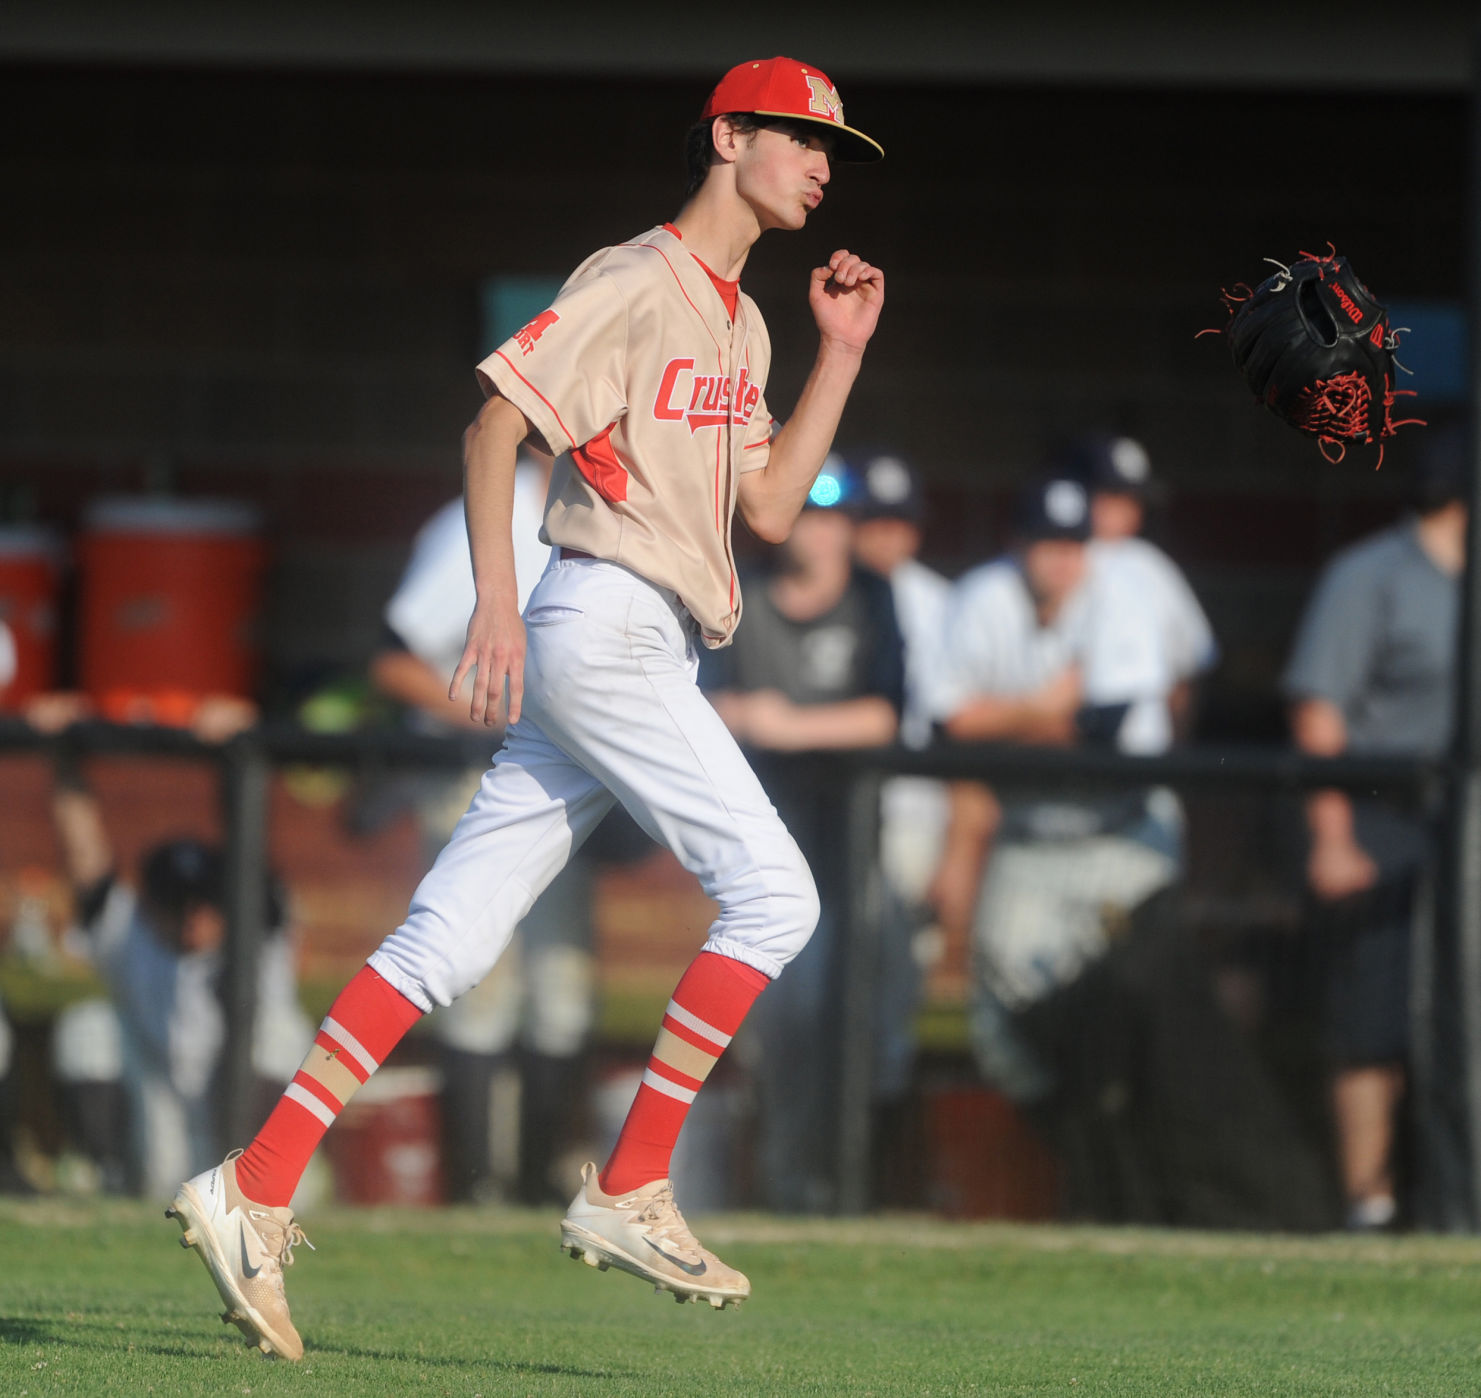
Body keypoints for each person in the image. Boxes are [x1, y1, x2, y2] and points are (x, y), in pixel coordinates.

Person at [168, 55, 885, 1359]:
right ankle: (631, 1179)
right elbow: (495, 428)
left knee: (445, 940)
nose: (824, 164)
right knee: (779, 895)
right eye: (799, 136)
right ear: (729, 136)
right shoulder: (631, 277)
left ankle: (255, 1179)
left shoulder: (747, 322)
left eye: (833, 147)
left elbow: (772, 510)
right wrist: (496, 604)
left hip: (638, 635)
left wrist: (838, 355)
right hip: (600, 618)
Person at [371, 459, 626, 1205]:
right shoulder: (499, 509)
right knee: (474, 982)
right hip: (477, 774)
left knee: (561, 988)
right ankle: (475, 1191)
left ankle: (540, 1189)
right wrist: (504, 713)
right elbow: (396, 660)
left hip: (565, 777)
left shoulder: (595, 504)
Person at [931, 476, 1180, 1103]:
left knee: (1130, 1003)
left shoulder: (1120, 595)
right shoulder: (983, 597)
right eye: (1048, 543)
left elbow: (1102, 729)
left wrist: (1002, 722)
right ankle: (1056, 1136)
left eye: (1075, 543)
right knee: (1005, 1011)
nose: (1064, 558)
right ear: (1018, 544)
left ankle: (1115, 1128)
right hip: (1031, 837)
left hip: (1120, 839)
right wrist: (1046, 709)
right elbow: (949, 727)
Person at [702, 460, 904, 1210]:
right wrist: (754, 719)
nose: (817, 533)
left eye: (831, 518)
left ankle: (853, 1191)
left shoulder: (872, 596)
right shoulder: (739, 591)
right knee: (786, 1024)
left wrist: (784, 724)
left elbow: (886, 714)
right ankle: (788, 1189)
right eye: (805, 515)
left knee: (862, 1029)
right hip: (756, 852)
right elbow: (693, 706)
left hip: (849, 847)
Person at [1282, 431, 1465, 1231]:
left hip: (1464, 823)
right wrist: (1331, 834)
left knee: (1459, 1017)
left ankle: (1452, 1194)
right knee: (1373, 1019)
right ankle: (1370, 1201)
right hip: (1378, 813)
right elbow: (1318, 713)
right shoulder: (1369, 574)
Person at [44, 754, 313, 1199]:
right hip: (159, 1101)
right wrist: (66, 759)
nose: (193, 918)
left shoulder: (259, 930)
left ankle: (268, 1188)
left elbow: (255, 841)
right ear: (150, 904)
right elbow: (85, 856)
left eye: (203, 903)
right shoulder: (127, 929)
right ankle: (108, 1179)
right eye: (176, 904)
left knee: (283, 1037)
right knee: (88, 1029)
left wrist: (238, 753)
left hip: (247, 1118)